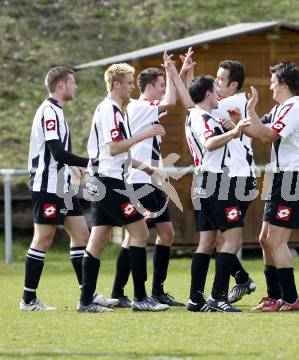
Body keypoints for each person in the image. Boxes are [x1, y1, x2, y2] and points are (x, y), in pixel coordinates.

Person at [22, 67, 116, 311]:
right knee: (43, 238)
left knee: (82, 236)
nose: (75, 87)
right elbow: (56, 152)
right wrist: (89, 162)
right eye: (72, 83)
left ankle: (88, 295)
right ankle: (28, 300)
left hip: (62, 186)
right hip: (48, 186)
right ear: (61, 85)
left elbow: (58, 155)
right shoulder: (49, 112)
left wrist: (73, 169)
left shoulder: (57, 111)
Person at [77, 63, 169, 312]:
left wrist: (148, 168)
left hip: (102, 181)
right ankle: (141, 299)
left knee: (97, 241)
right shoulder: (110, 110)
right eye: (129, 82)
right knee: (139, 234)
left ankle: (85, 301)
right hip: (109, 183)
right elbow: (115, 147)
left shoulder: (115, 109)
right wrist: (145, 133)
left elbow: (121, 153)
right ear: (116, 84)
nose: (132, 86)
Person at [111, 54, 185, 308]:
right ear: (150, 87)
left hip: (151, 182)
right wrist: (172, 72)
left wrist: (179, 72)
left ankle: (156, 292)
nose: (164, 90)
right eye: (161, 85)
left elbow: (173, 98)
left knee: (166, 234)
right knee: (134, 237)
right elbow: (172, 101)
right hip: (138, 181)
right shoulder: (140, 107)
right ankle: (123, 293)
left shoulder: (147, 111)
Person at [241, 60, 299, 312]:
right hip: (280, 178)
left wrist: (249, 110)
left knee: (276, 240)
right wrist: (234, 124)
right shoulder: (281, 108)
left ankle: (291, 298)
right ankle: (273, 296)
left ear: (283, 83)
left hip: (294, 178)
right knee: (265, 239)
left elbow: (267, 135)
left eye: (273, 82)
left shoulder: (294, 108)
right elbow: (256, 131)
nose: (270, 87)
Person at [178, 73, 250, 312]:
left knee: (207, 242)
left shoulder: (193, 115)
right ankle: (218, 297)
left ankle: (195, 299)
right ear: (208, 94)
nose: (219, 93)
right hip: (217, 182)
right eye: (215, 89)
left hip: (202, 181)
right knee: (233, 238)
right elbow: (209, 143)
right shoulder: (204, 117)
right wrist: (233, 131)